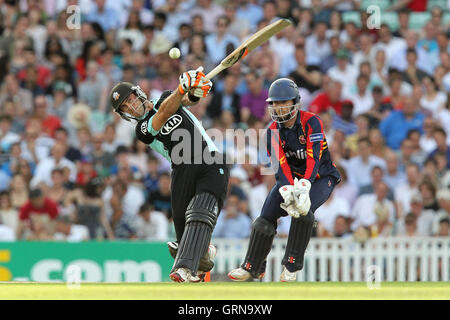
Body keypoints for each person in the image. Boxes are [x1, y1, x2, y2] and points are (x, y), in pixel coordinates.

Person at [109, 66, 230, 283]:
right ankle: (203, 253)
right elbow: (164, 113)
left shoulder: (167, 96)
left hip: (209, 159)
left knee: (200, 214)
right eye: (125, 107)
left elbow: (190, 100)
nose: (131, 106)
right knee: (186, 236)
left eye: (130, 99)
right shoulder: (142, 130)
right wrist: (181, 88)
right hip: (182, 169)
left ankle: (183, 267)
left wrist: (195, 87)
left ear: (139, 93)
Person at [228, 78, 341, 282]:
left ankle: (291, 266)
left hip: (320, 177)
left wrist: (305, 184)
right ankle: (252, 267)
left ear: (294, 102)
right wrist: (289, 189)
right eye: (275, 103)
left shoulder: (312, 121)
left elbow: (312, 157)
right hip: (290, 179)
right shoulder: (271, 132)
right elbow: (281, 166)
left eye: (283, 102)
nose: (278, 108)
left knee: (303, 213)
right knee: (264, 220)